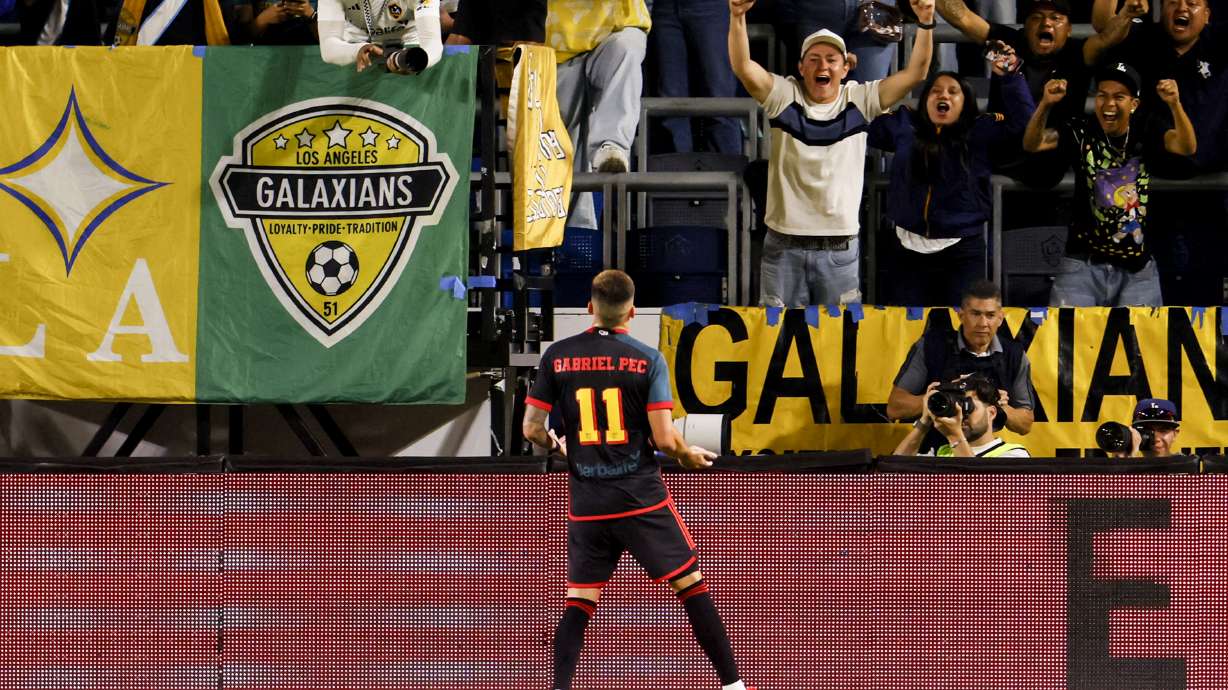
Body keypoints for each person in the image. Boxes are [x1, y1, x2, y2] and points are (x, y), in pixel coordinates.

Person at [521, 269, 752, 690]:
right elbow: (664, 437)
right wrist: (686, 453)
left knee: (580, 601)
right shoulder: (648, 359)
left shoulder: (556, 356)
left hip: (587, 502)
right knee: (690, 586)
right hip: (640, 498)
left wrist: (561, 448)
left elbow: (532, 429)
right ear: (631, 310)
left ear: (590, 308)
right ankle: (733, 686)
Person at [728, 0, 935, 307]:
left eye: (830, 59)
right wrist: (737, 17)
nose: (822, 66)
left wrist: (927, 22)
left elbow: (916, 73)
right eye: (813, 59)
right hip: (783, 247)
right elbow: (744, 67)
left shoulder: (860, 99)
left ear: (846, 67)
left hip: (840, 249)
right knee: (778, 343)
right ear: (801, 68)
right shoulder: (784, 95)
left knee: (838, 347)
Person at [1022, 63, 1197, 306]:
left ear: (1133, 105)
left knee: (1139, 343)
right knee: (1067, 341)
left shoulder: (1148, 128)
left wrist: (1174, 104)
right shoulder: (1081, 129)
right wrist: (1045, 104)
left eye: (1119, 97)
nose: (1109, 104)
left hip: (1138, 268)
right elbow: (1033, 144)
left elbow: (1186, 147)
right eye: (1102, 96)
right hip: (1082, 263)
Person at [869, 58, 1034, 307]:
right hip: (905, 248)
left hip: (962, 251)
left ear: (965, 101)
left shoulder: (980, 130)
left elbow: (1025, 123)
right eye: (935, 91)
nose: (943, 95)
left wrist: (1009, 77)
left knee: (959, 329)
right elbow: (865, 122)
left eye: (952, 92)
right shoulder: (905, 124)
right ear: (924, 100)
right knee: (903, 330)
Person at [1093, 0, 1228, 305]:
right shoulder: (1146, 38)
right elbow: (1103, 24)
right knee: (1154, 275)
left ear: (1207, 15)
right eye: (1172, 2)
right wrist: (1127, 10)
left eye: (1192, 3)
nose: (1182, 8)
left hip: (1210, 184)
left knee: (1207, 273)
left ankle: (1206, 347)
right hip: (1155, 183)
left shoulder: (1219, 42)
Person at [549, 0, 650, 230]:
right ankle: (575, 243)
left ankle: (611, 144)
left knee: (627, 47)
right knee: (563, 150)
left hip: (614, 27)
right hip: (554, 41)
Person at [887, 279, 1036, 434]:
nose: (983, 323)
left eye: (990, 315)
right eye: (975, 314)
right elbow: (895, 408)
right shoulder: (932, 346)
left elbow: (1025, 424)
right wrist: (943, 396)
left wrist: (998, 404)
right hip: (936, 444)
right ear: (961, 315)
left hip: (985, 448)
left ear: (1000, 318)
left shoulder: (1014, 354)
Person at [652, 0, 741, 155]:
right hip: (664, 8)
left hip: (711, 7)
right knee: (669, 104)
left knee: (720, 100)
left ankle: (728, 173)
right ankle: (673, 174)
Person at [892, 374, 1031, 457]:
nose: (962, 414)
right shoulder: (943, 452)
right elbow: (896, 473)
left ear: (991, 412)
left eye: (968, 406)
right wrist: (924, 421)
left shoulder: (1014, 455)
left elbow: (981, 496)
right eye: (957, 406)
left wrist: (954, 436)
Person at [317, 0, 444, 73]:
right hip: (356, 51)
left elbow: (432, 40)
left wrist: (418, 61)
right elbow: (328, 45)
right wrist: (358, 49)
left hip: (410, 47)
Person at [1108, 397, 1182, 457]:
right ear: (1133, 433)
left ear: (1175, 434)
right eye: (1147, 431)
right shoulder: (1127, 465)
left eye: (1163, 430)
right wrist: (1120, 465)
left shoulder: (1190, 467)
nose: (1155, 439)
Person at [229, 0, 318, 44]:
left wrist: (311, 15)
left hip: (310, 58)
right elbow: (240, 39)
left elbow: (329, 39)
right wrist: (262, 20)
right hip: (264, 58)